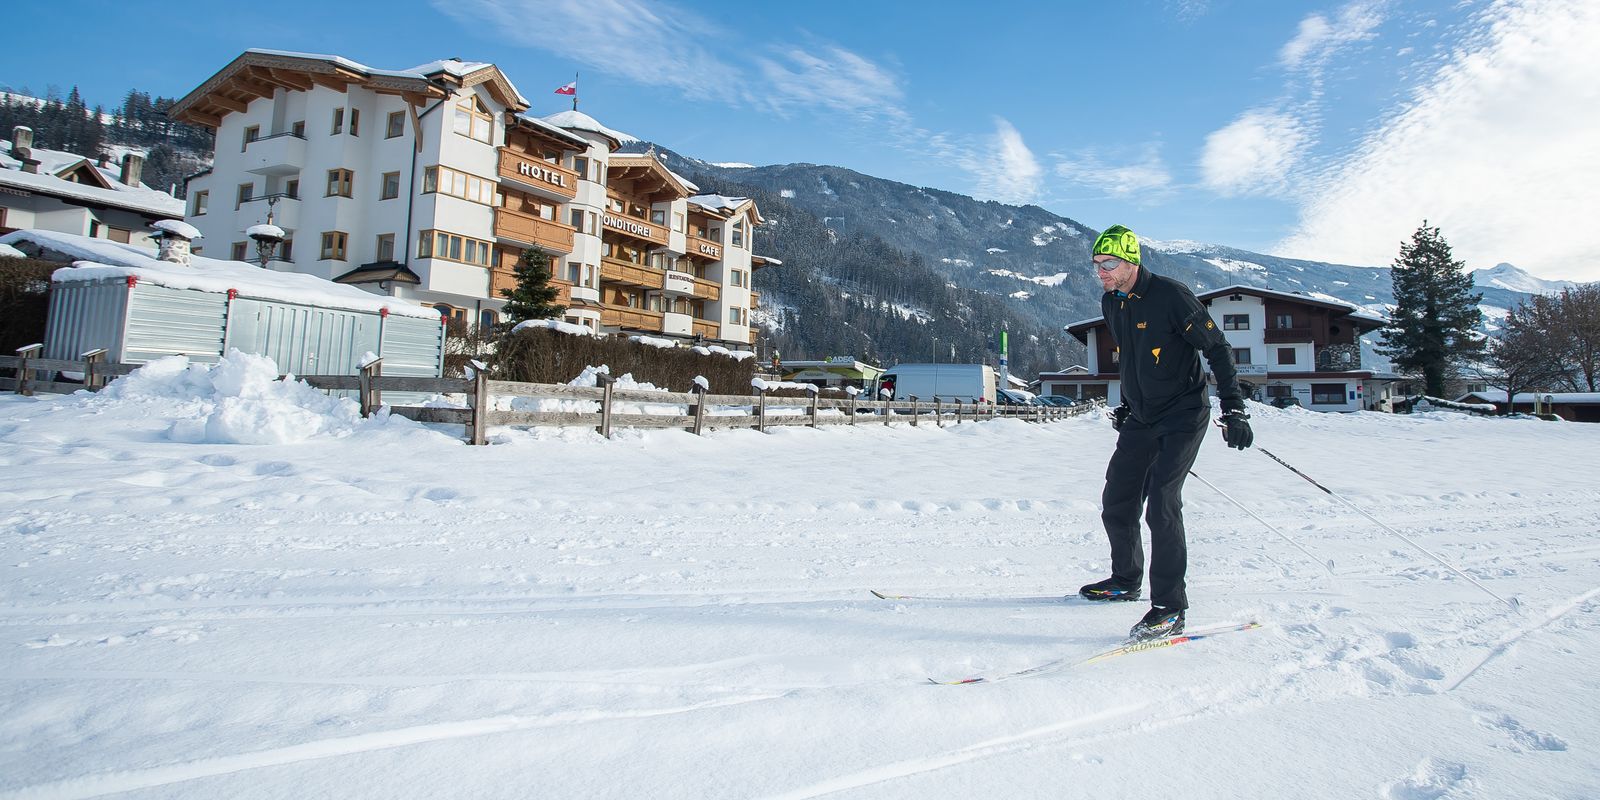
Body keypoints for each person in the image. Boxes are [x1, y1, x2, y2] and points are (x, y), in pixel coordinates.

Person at [1077, 224, 1254, 641]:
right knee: (1117, 501)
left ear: (1131, 261)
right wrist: (1128, 403)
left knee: (1162, 503)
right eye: (1096, 264)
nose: (1100, 271)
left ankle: (1170, 608)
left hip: (1183, 414)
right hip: (1142, 417)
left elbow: (1218, 349)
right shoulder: (1112, 303)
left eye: (1109, 264)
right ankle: (1125, 579)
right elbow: (1134, 361)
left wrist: (1235, 409)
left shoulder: (1172, 297)